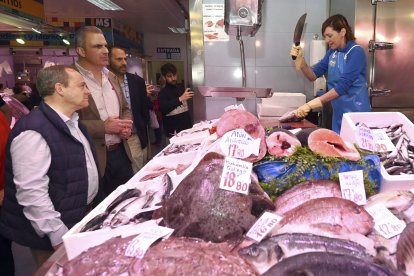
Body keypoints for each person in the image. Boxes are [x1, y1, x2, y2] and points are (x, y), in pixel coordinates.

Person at [0, 65, 100, 267]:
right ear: (60, 89)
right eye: (82, 86)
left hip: (77, 217)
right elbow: (31, 192)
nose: (87, 91)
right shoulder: (33, 131)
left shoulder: (74, 122)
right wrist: (57, 235)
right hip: (57, 231)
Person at [74, 26, 134, 195]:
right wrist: (103, 127)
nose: (105, 51)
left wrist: (126, 125)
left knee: (127, 200)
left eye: (105, 46)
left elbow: (125, 107)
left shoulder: (111, 76)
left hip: (121, 152)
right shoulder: (69, 77)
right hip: (92, 157)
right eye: (97, 46)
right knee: (100, 210)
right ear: (81, 51)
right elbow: (62, 121)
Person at [287, 14, 371, 133]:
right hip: (338, 115)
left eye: (330, 36)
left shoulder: (356, 52)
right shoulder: (332, 52)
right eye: (325, 36)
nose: (327, 40)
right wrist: (301, 61)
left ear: (342, 32)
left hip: (356, 116)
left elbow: (342, 87)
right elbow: (312, 75)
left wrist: (311, 105)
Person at [108, 46, 152, 173]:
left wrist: (142, 128)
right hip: (112, 140)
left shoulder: (137, 81)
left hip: (134, 136)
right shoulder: (104, 82)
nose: (124, 63)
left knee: (138, 171)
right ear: (109, 60)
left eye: (125, 59)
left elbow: (145, 108)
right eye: (119, 59)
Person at [158, 63, 193, 139]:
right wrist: (180, 99)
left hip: (187, 131)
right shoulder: (162, 93)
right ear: (164, 77)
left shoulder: (180, 89)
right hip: (173, 134)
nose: (173, 78)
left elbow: (185, 111)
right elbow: (163, 109)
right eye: (169, 76)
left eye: (174, 75)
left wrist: (191, 128)